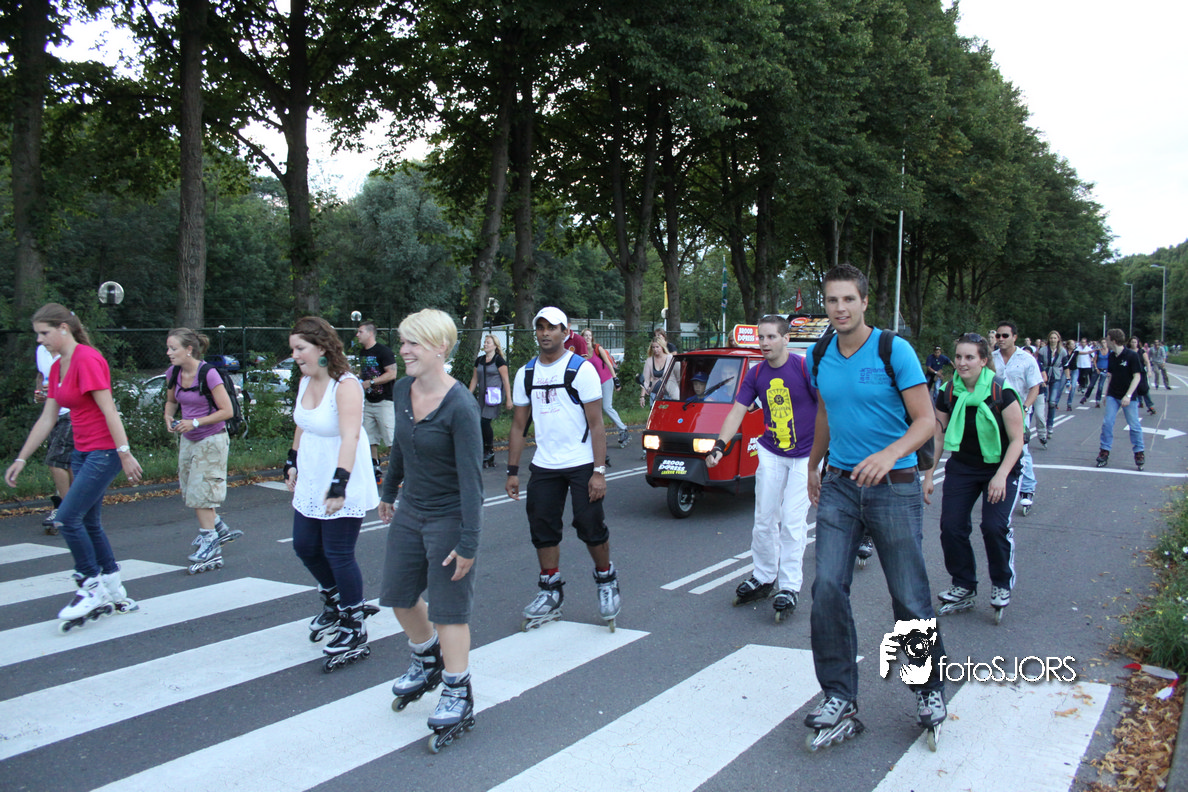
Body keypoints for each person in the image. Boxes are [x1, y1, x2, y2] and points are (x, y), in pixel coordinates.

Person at [804, 265, 946, 743]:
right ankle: (839, 694)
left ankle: (928, 689)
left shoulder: (893, 349)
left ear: (865, 302)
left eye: (848, 299)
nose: (840, 308)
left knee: (908, 595)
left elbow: (925, 421)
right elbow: (826, 411)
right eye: (832, 300)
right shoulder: (819, 353)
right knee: (827, 587)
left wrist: (889, 455)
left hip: (895, 486)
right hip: (841, 486)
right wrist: (813, 464)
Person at [379, 309, 483, 745]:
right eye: (403, 342)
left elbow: (472, 482)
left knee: (448, 610)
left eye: (413, 343)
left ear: (440, 347)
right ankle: (427, 659)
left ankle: (458, 689)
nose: (403, 350)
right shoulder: (403, 389)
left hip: (448, 516)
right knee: (398, 595)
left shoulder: (460, 406)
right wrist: (389, 491)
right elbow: (402, 445)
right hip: (411, 510)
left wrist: (468, 543)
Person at [5, 304, 143, 626]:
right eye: (38, 334)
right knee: (89, 523)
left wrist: (124, 453)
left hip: (104, 452)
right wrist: (21, 458)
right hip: (81, 452)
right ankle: (114, 589)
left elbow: (109, 410)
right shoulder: (57, 367)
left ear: (63, 328)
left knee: (67, 518)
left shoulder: (87, 359)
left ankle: (90, 585)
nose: (40, 340)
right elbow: (48, 417)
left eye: (44, 333)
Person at [505, 307, 620, 631]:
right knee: (542, 525)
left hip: (581, 463)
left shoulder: (581, 369)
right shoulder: (526, 373)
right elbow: (518, 426)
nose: (545, 333)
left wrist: (599, 472)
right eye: (540, 327)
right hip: (545, 464)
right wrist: (512, 471)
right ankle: (550, 589)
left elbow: (597, 425)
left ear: (565, 332)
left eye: (552, 327)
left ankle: (606, 579)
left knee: (590, 524)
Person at [285, 316, 380, 671]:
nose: (295, 355)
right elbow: (302, 423)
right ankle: (336, 599)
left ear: (321, 347)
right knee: (305, 546)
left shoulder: (346, 385)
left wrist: (340, 483)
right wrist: (291, 460)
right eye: (293, 349)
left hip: (343, 471)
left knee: (338, 552)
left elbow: (351, 435)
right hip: (312, 471)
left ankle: (354, 622)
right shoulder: (305, 381)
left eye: (300, 348)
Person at [707, 315, 816, 621]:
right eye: (761, 337)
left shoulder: (803, 368)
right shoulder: (756, 373)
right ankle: (764, 576)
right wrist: (719, 446)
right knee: (765, 518)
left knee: (792, 521)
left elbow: (825, 409)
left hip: (806, 454)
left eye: (771, 337)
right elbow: (737, 412)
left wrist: (828, 454)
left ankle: (789, 586)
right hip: (771, 451)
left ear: (786, 339)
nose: (765, 343)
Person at [929, 334, 1025, 620]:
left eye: (969, 357)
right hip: (963, 466)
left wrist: (1001, 475)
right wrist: (927, 475)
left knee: (994, 526)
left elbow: (1018, 440)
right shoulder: (948, 391)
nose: (962, 363)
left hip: (1000, 466)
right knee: (951, 526)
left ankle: (1001, 583)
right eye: (958, 357)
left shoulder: (1001, 392)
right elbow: (938, 437)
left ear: (983, 360)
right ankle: (964, 584)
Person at [164, 328, 243, 574]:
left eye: (173, 348)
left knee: (202, 491)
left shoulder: (208, 374)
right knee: (190, 490)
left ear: (189, 349)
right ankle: (218, 528)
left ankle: (210, 544)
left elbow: (227, 411)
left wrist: (196, 422)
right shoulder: (173, 373)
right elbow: (171, 401)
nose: (169, 353)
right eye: (168, 348)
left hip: (212, 439)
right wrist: (168, 416)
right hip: (188, 439)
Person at [992, 322, 1041, 514]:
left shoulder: (1027, 359)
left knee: (1021, 449)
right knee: (996, 448)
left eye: (1005, 335)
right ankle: (998, 484)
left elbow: (1035, 387)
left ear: (1014, 337)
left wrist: (1026, 408)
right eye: (998, 336)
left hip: (1018, 411)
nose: (1001, 339)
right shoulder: (991, 358)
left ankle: (1027, 489)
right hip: (995, 411)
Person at [35, 341, 74, 534]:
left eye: (44, 332)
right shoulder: (41, 350)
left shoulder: (71, 350)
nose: (40, 338)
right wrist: (39, 393)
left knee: (55, 461)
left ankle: (65, 511)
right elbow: (42, 376)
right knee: (68, 463)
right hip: (52, 413)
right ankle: (78, 506)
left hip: (71, 412)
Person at [356, 321, 399, 485]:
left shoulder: (383, 351)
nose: (357, 335)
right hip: (369, 401)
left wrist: (372, 382)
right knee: (369, 438)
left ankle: (399, 471)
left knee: (390, 438)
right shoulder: (363, 353)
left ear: (370, 333)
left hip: (384, 401)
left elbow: (392, 374)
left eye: (360, 332)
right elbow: (365, 372)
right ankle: (375, 469)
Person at [1096, 329, 1145, 470]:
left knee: (1134, 425)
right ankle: (1104, 450)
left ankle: (1139, 452)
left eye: (1108, 339)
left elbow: (1137, 377)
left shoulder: (1131, 355)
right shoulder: (1112, 356)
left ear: (1114, 340)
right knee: (1107, 423)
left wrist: (1128, 395)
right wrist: (1106, 394)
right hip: (1113, 394)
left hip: (1128, 396)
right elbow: (1110, 375)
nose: (1106, 341)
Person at [467, 334, 512, 468]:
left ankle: (489, 450)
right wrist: (467, 395)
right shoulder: (479, 360)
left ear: (495, 346)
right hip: (482, 396)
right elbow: (474, 379)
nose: (485, 344)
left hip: (493, 397)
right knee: (479, 423)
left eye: (488, 342)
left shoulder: (499, 361)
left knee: (484, 422)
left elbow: (506, 381)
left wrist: (509, 399)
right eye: (485, 342)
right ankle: (486, 452)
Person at [581, 328, 631, 448]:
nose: (587, 338)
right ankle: (599, 436)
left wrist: (615, 379)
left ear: (592, 338)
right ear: (582, 338)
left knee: (607, 407)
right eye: (585, 336)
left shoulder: (598, 349)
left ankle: (623, 429)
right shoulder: (582, 353)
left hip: (606, 380)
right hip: (593, 384)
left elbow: (609, 363)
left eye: (589, 336)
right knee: (593, 410)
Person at [1034, 331, 1069, 447]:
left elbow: (1066, 365)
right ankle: (1042, 425)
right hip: (1044, 375)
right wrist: (1041, 378)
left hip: (1056, 376)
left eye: (1055, 338)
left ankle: (1050, 425)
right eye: (1051, 338)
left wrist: (1068, 379)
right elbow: (1039, 364)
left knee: (1052, 402)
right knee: (1041, 401)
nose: (1053, 340)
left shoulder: (1062, 351)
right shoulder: (1043, 350)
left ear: (1058, 339)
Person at [640, 338, 679, 407]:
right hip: (655, 394)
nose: (655, 349)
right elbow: (646, 381)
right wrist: (642, 397)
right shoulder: (649, 361)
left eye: (657, 347)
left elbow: (678, 376)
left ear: (662, 347)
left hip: (670, 393)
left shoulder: (671, 358)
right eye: (653, 347)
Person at [1128, 336, 1157, 415]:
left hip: (1141, 372)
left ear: (1138, 343)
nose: (1133, 343)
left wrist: (1149, 371)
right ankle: (1134, 404)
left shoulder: (1141, 351)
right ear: (1130, 343)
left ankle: (1150, 406)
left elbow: (1147, 361)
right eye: (1132, 342)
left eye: (1135, 342)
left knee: (1144, 389)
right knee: (1132, 389)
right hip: (1130, 373)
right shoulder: (1128, 351)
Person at [1090, 339, 1110, 406]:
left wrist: (1109, 371)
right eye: (1102, 343)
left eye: (1105, 342)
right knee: (1092, 384)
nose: (1103, 344)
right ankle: (1086, 396)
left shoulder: (1110, 351)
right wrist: (1096, 368)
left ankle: (1098, 400)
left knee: (1101, 385)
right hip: (1098, 369)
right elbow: (1094, 360)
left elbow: (1111, 361)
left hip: (1105, 370)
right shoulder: (1098, 351)